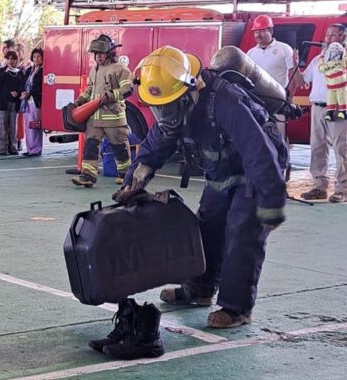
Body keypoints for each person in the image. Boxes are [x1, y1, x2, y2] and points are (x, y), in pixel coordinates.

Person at [115, 45, 286, 331]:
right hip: (221, 170)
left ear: (189, 91)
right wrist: (133, 181)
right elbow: (153, 148)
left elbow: (259, 150)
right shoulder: (174, 109)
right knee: (208, 225)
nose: (163, 113)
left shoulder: (225, 101)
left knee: (242, 234)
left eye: (167, 106)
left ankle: (236, 307)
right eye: (158, 107)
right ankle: (200, 290)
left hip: (255, 169)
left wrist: (271, 203)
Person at [72, 35, 133, 187]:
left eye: (100, 53)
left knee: (119, 148)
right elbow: (89, 90)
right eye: (95, 53)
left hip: (113, 117)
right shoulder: (94, 69)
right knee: (90, 146)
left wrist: (111, 96)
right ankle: (88, 176)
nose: (97, 56)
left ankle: (126, 175)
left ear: (110, 53)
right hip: (95, 118)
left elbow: (128, 89)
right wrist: (79, 101)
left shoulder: (120, 69)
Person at [299, 23, 347, 203]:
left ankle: (343, 188)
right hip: (317, 108)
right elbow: (304, 79)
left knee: (341, 149)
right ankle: (319, 186)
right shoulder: (319, 59)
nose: (328, 38)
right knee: (317, 147)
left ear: (343, 37)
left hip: (337, 108)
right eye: (327, 35)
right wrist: (295, 63)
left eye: (333, 35)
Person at [246, 14, 297, 138]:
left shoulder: (284, 49)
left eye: (262, 31)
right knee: (261, 138)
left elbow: (293, 75)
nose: (258, 35)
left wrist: (289, 100)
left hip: (279, 101)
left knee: (279, 137)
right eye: (256, 32)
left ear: (271, 31)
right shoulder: (251, 53)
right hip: (257, 102)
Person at [0, 51, 24, 155]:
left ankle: (13, 148)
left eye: (13, 59)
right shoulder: (1, 71)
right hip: (2, 103)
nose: (11, 61)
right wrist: (5, 72)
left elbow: (23, 87)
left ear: (17, 60)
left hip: (14, 103)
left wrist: (18, 93)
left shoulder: (20, 73)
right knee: (2, 126)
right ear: (5, 60)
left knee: (13, 127)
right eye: (9, 59)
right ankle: (3, 149)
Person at [21, 47, 44, 157]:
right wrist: (23, 92)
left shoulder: (43, 70)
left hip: (36, 101)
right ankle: (29, 148)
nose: (36, 58)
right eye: (34, 56)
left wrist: (29, 93)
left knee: (35, 125)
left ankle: (36, 149)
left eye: (39, 56)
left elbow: (41, 87)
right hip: (26, 101)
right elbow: (24, 82)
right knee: (28, 125)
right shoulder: (30, 69)